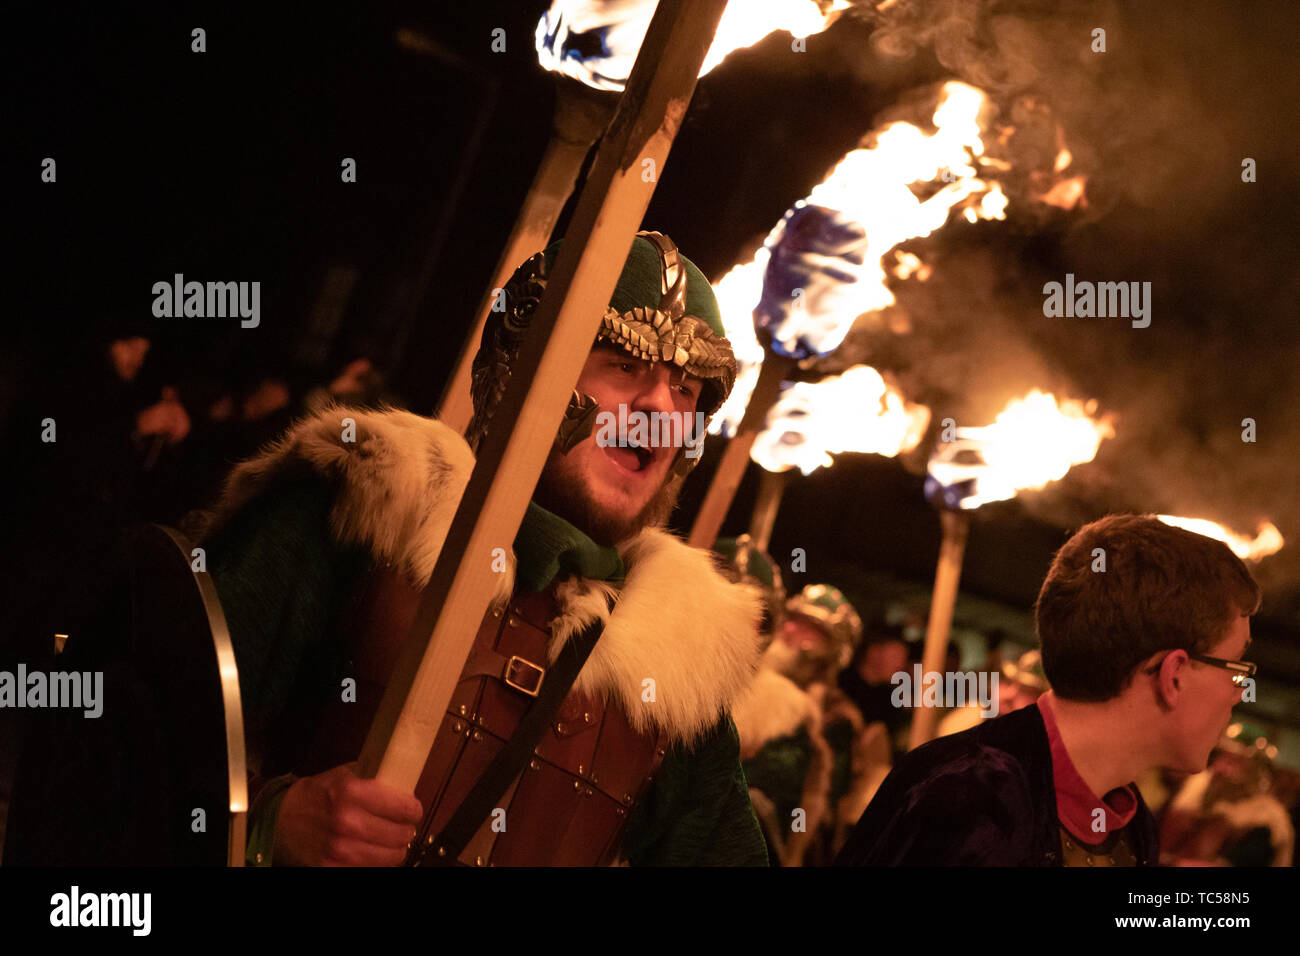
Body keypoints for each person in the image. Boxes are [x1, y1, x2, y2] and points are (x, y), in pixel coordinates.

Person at [196, 231, 769, 866]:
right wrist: (268, 823)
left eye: (687, 390)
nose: (659, 406)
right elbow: (130, 758)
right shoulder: (363, 510)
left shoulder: (682, 661)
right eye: (625, 362)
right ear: (526, 371)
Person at [836, 513, 1260, 867]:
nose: (1240, 692)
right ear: (1175, 674)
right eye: (1236, 668)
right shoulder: (966, 796)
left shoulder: (1132, 824)